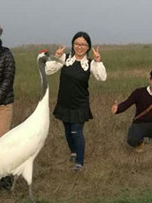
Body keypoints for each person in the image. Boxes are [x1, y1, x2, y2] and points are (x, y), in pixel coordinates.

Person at [46, 31, 107, 170]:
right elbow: (48, 70)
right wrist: (56, 57)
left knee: (76, 132)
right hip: (64, 102)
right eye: (77, 44)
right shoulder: (65, 58)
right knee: (68, 131)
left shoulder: (89, 64)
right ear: (73, 45)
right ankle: (74, 151)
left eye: (83, 44)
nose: (80, 47)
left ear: (88, 47)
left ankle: (79, 162)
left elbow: (102, 77)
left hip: (80, 104)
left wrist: (98, 61)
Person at [111, 67, 152, 156]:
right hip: (140, 124)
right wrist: (117, 109)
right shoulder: (139, 92)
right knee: (131, 140)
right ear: (150, 80)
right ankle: (139, 143)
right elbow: (127, 103)